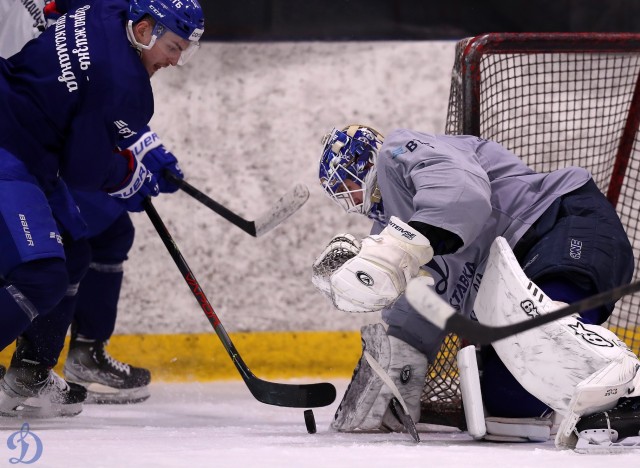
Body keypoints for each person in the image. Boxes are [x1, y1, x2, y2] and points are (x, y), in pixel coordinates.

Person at [311, 125, 640, 448]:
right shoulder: (395, 227)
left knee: (544, 332)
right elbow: (423, 299)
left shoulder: (398, 153)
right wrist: (397, 366)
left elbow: (462, 193)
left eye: (346, 183)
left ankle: (632, 388)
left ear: (362, 163)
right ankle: (605, 390)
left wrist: (400, 247)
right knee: (508, 405)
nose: (349, 196)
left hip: (563, 224)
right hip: (516, 275)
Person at [0, 0, 204, 417]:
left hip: (29, 141)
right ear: (145, 30)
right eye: (173, 47)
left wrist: (138, 144)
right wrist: (128, 175)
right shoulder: (128, 86)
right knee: (41, 273)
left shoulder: (110, 9)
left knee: (75, 248)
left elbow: (92, 94)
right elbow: (83, 170)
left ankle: (30, 373)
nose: (176, 61)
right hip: (9, 146)